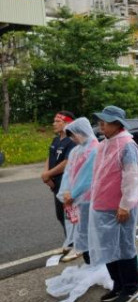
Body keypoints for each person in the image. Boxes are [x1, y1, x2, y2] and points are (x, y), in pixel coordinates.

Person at [88, 106, 138, 302]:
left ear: (117, 124)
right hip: (102, 206)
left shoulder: (127, 145)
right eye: (101, 120)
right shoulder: (104, 144)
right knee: (108, 248)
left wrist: (125, 205)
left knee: (124, 247)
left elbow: (131, 177)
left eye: (106, 121)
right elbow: (98, 175)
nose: (102, 124)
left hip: (120, 208)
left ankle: (131, 287)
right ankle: (117, 285)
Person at [57, 117, 99, 265]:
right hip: (75, 198)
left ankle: (96, 265)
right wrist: (66, 192)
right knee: (81, 231)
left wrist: (72, 194)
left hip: (88, 198)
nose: (73, 139)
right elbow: (68, 173)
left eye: (73, 135)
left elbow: (88, 178)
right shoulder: (76, 150)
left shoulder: (95, 149)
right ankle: (89, 263)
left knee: (90, 232)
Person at [42, 111, 77, 259]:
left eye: (58, 121)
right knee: (60, 215)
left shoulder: (72, 141)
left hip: (66, 183)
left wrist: (49, 174)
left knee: (71, 215)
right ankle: (68, 242)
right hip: (55, 183)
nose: (54, 123)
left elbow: (67, 162)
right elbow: (49, 157)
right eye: (54, 120)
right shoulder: (56, 140)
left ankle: (76, 245)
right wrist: (46, 174)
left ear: (67, 123)